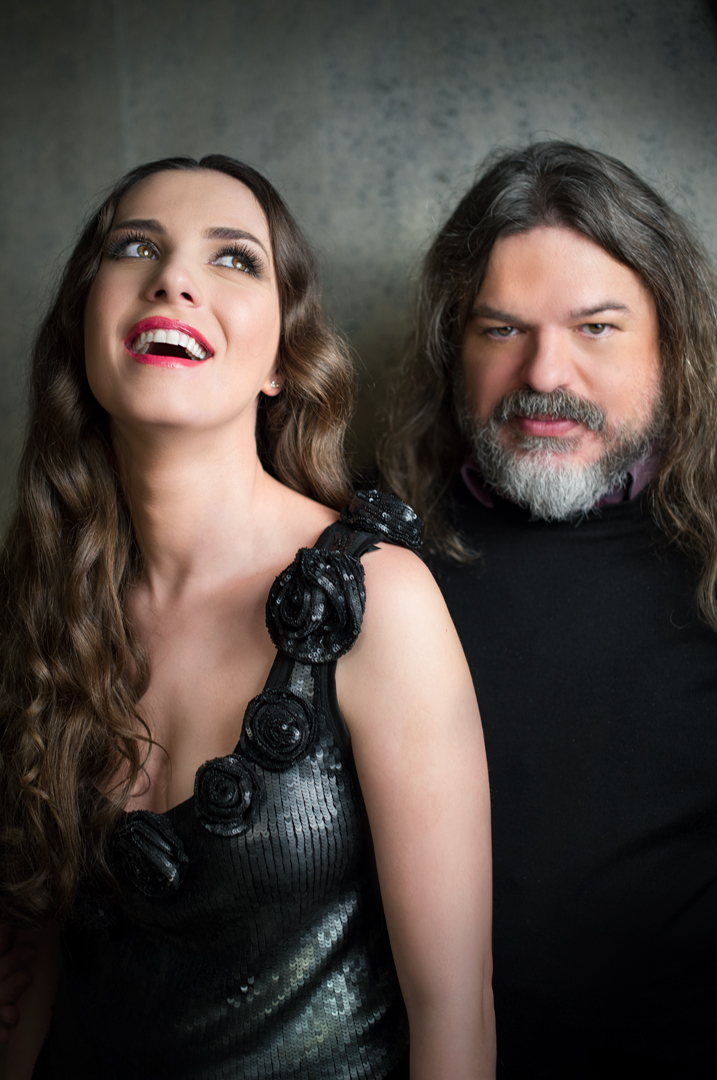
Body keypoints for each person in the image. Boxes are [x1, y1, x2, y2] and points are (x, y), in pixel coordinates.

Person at [0, 155, 495, 1079]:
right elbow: (32, 976)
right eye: (135, 248)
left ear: (281, 360)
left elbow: (455, 1012)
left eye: (233, 258)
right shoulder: (38, 604)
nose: (174, 279)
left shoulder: (377, 601)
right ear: (83, 328)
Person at [381, 141, 717, 1079]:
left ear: (673, 342)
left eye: (596, 328)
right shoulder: (368, 556)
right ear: (453, 347)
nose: (544, 375)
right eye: (501, 330)